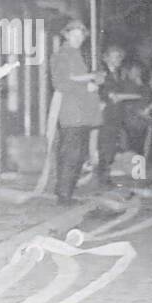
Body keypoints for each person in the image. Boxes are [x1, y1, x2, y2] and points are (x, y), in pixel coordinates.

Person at [50, 18, 103, 204]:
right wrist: (89, 81)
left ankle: (67, 193)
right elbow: (62, 82)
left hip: (81, 114)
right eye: (75, 34)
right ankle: (64, 196)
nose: (78, 38)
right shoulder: (63, 54)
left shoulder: (76, 54)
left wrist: (90, 83)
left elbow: (76, 80)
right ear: (66, 35)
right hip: (71, 114)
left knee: (77, 154)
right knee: (71, 154)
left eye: (81, 35)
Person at [96, 44, 148, 187]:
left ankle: (106, 178)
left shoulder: (117, 75)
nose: (118, 59)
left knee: (111, 147)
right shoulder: (104, 74)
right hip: (106, 116)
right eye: (115, 56)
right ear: (106, 58)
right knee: (106, 147)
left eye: (119, 56)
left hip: (115, 116)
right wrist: (134, 95)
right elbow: (113, 97)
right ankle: (103, 179)